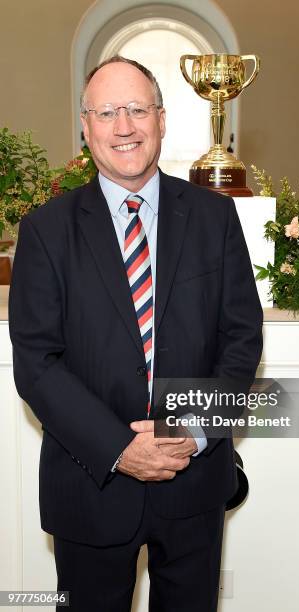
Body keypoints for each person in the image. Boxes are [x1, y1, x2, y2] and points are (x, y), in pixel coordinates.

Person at [8, 55, 263, 612]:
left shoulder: (214, 218)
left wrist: (192, 431)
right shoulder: (46, 231)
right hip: (90, 485)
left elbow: (242, 338)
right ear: (85, 126)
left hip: (193, 482)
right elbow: (36, 363)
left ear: (163, 119)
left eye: (137, 109)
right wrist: (122, 449)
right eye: (106, 112)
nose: (123, 126)